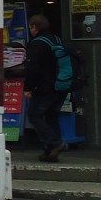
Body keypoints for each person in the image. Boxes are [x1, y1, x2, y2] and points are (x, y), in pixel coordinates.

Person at [24, 14, 68, 162]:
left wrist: (28, 88)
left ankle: (55, 143)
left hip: (44, 88)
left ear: (34, 27)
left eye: (30, 27)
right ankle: (51, 152)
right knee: (51, 116)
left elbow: (32, 69)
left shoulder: (36, 44)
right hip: (61, 85)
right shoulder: (56, 40)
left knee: (34, 115)